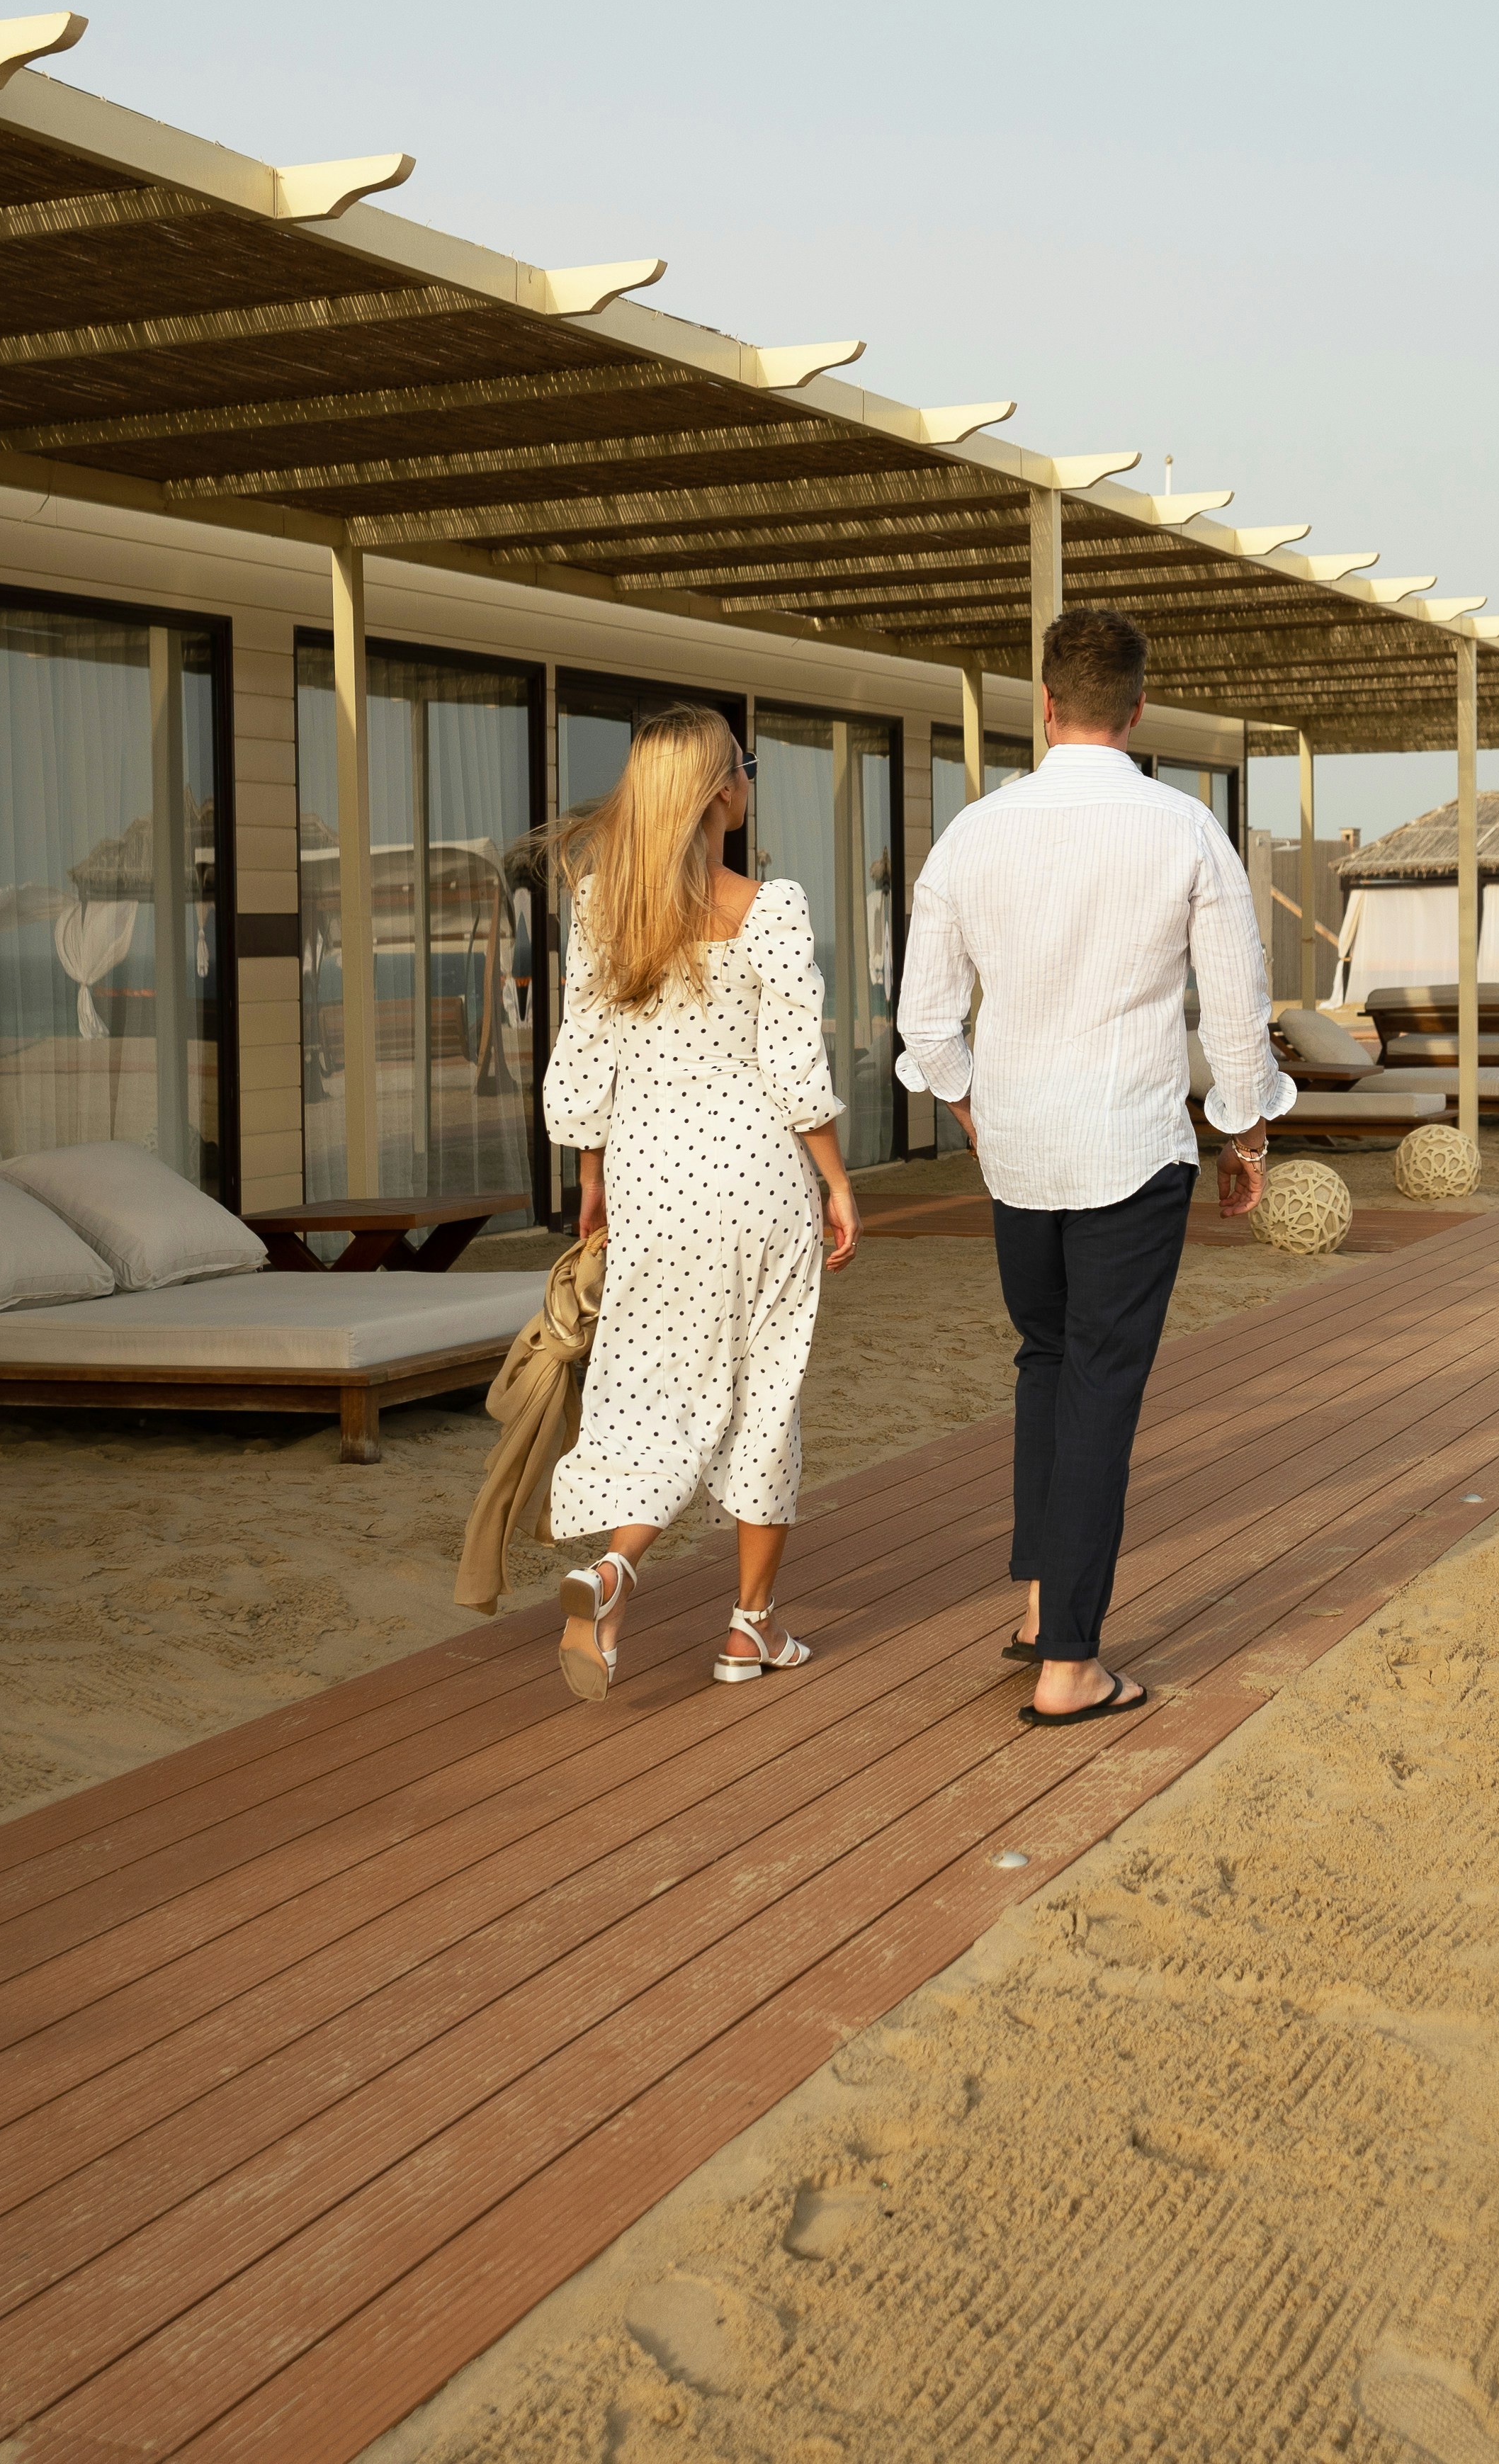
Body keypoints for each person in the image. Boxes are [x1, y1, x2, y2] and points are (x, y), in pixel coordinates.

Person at [894, 606, 1288, 1725]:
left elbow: (924, 1022)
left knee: (1046, 1360)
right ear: (1140, 710)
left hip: (1018, 1154)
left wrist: (975, 1110)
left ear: (1046, 707)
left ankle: (1034, 1606)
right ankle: (1071, 1661)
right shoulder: (1185, 831)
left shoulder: (974, 832)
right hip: (1130, 1145)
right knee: (1100, 1386)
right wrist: (1246, 1135)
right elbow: (1237, 1014)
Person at [540, 705, 862, 1700]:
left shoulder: (600, 909)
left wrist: (592, 1183)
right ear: (724, 790)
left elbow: (582, 1063)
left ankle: (615, 1568)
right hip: (756, 1175)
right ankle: (747, 1630)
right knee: (762, 1394)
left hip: (648, 1175)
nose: (750, 783)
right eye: (748, 768)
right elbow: (795, 1066)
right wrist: (838, 1179)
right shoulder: (767, 908)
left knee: (655, 1390)